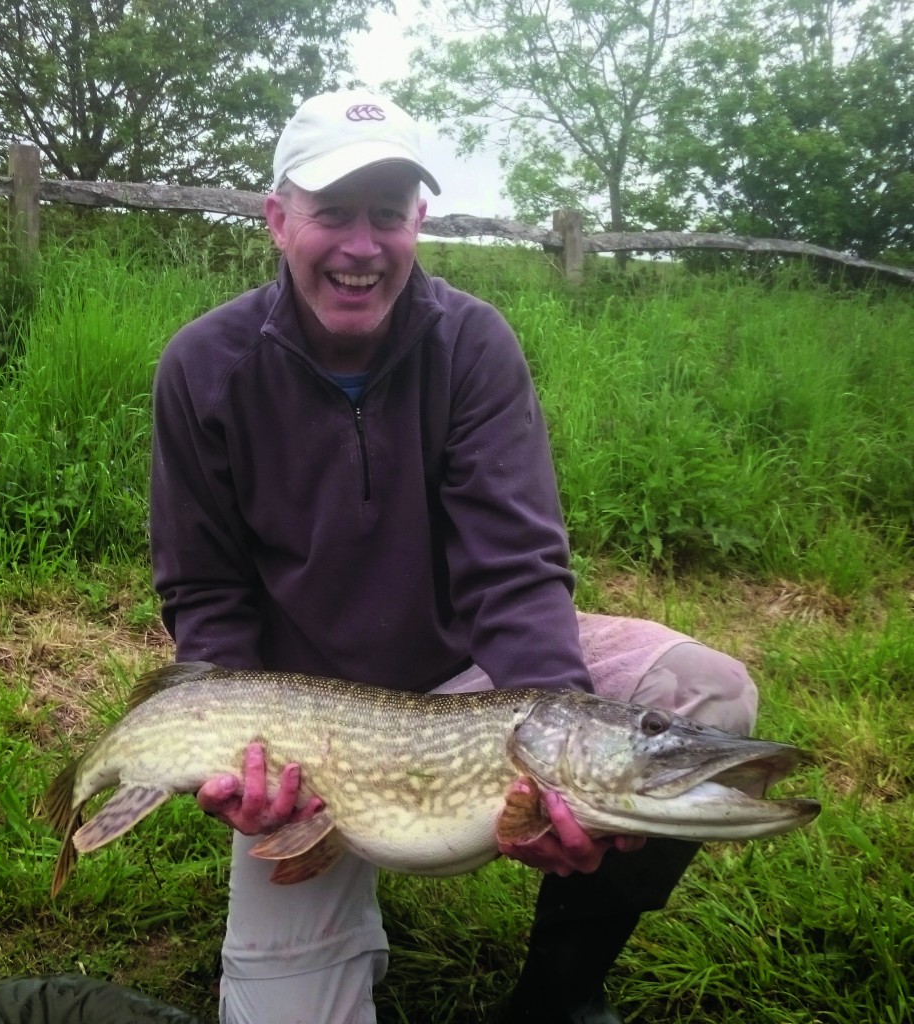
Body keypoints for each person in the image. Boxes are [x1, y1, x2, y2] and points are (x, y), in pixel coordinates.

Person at [149, 89, 758, 1024]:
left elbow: (516, 568)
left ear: (418, 221)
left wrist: (552, 760)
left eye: (387, 215)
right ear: (278, 220)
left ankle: (559, 997)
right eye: (333, 213)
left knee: (705, 697)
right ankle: (338, 898)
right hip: (311, 730)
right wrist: (253, 755)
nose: (362, 246)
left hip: (478, 684)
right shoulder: (203, 365)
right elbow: (205, 587)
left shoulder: (471, 344)